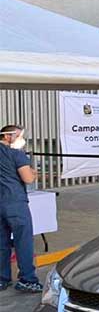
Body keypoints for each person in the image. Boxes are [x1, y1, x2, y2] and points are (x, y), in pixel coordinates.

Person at [0, 125, 41, 292]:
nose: (21, 139)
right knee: (23, 242)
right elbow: (28, 178)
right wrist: (33, 172)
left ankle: (2, 279)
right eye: (18, 136)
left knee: (1, 243)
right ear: (8, 136)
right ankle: (27, 280)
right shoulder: (17, 154)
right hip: (15, 203)